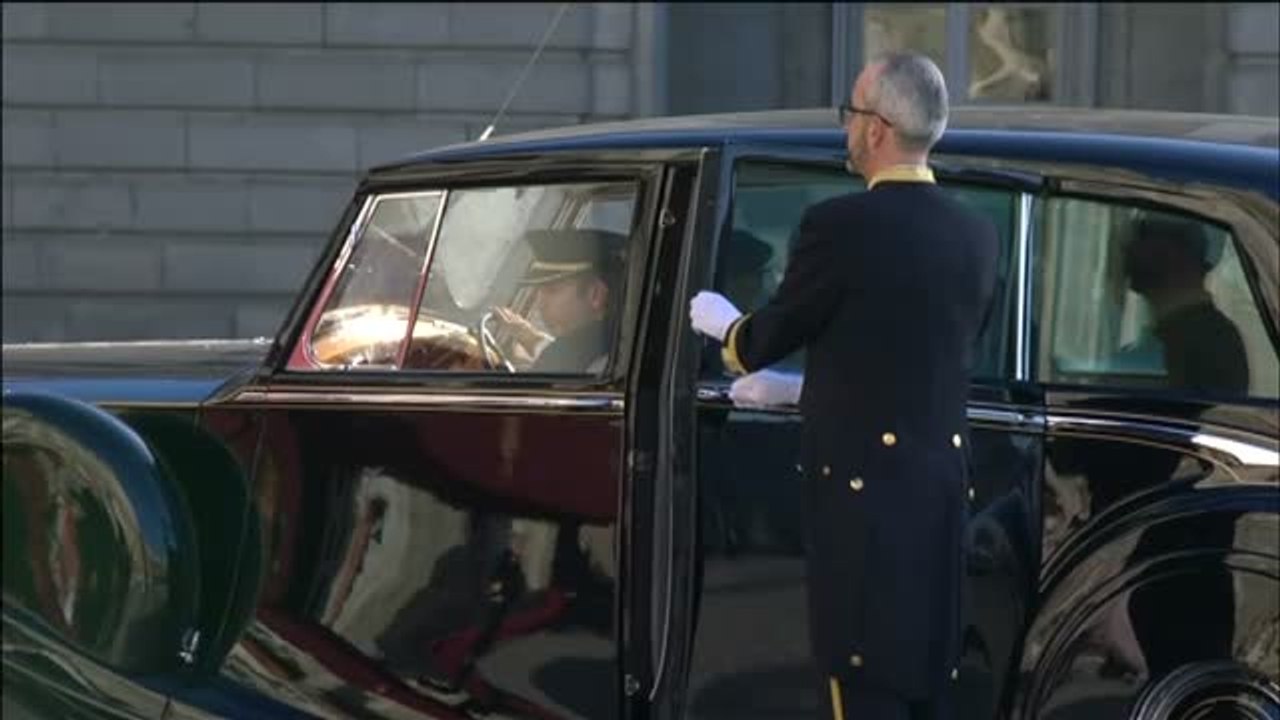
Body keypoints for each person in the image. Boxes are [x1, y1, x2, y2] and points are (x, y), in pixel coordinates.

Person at [688, 52, 998, 720]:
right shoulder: (976, 234)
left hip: (866, 512)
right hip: (938, 506)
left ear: (877, 128)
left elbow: (764, 340)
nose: (846, 127)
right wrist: (803, 390)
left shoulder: (841, 226)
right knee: (922, 691)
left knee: (862, 687)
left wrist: (726, 326)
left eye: (850, 113)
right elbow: (910, 365)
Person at [1121, 213, 1248, 394]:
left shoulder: (1207, 342)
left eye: (1142, 235)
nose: (1128, 249)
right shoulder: (1176, 335)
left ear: (1173, 254)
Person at [494, 228, 626, 374]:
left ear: (595, 294)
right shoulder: (620, 342)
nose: (540, 304)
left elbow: (564, 358)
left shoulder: (566, 356)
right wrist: (530, 338)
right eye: (538, 292)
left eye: (552, 291)